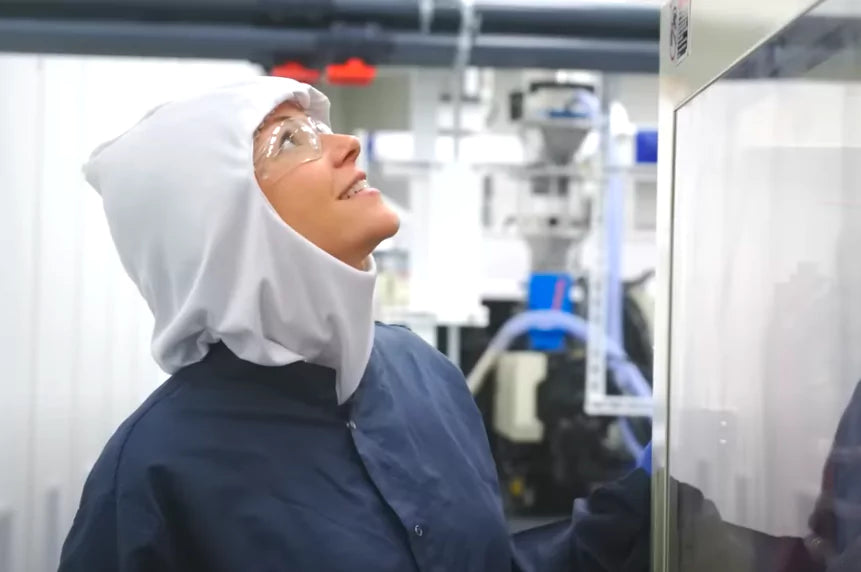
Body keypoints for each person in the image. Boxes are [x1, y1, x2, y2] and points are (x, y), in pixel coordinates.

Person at [58, 77, 651, 572]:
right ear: (217, 223)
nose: (346, 144)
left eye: (321, 129)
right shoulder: (153, 471)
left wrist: (642, 498)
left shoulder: (426, 374)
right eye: (289, 141)